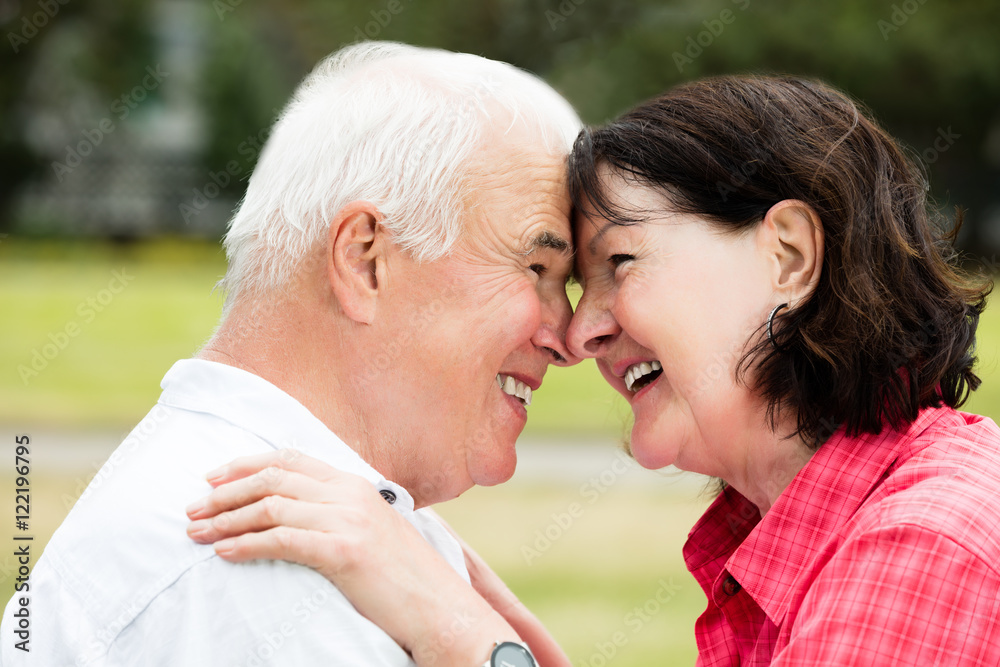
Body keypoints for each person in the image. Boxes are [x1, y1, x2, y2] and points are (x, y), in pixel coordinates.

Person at [186, 74, 1000, 666]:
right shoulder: (846, 527)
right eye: (573, 281)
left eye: (621, 261)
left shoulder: (923, 551)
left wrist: (461, 634)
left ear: (787, 255)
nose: (579, 331)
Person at [0, 41, 583, 666]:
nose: (569, 338)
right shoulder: (259, 563)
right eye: (536, 267)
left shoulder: (322, 530)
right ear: (364, 261)